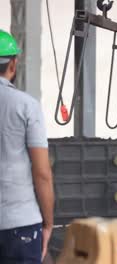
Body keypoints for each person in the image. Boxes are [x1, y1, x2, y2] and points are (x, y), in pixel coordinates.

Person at [0, 30, 54, 263]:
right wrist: (49, 223)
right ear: (13, 64)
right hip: (20, 223)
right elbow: (42, 173)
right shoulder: (27, 106)